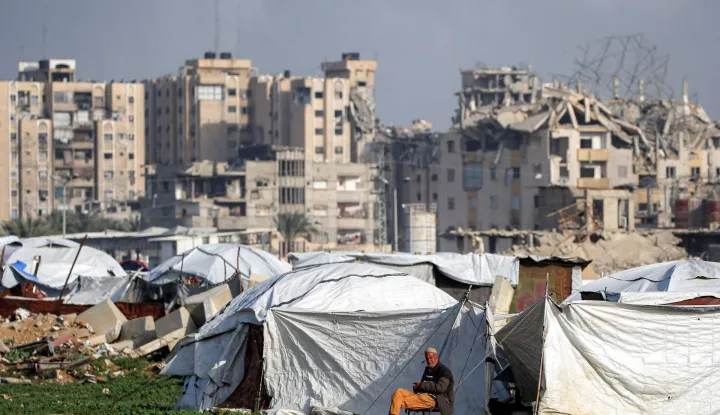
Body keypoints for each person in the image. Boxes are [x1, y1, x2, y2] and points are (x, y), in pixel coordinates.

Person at [388, 347, 454, 415]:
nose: (429, 360)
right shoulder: (428, 370)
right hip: (422, 396)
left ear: (436, 356)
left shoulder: (444, 371)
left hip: (436, 399)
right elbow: (424, 386)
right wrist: (418, 388)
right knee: (398, 392)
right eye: (427, 359)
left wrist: (421, 385)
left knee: (398, 402)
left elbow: (441, 388)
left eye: (431, 358)